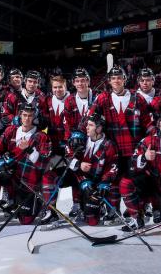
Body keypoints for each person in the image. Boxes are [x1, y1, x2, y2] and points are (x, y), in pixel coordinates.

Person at [87, 65, 153, 223]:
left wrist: (152, 140)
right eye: (113, 78)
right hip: (113, 150)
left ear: (125, 79)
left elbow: (148, 124)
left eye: (119, 77)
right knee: (114, 182)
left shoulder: (138, 98)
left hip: (134, 150)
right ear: (109, 81)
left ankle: (137, 212)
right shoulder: (102, 98)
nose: (116, 80)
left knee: (133, 183)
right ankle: (113, 211)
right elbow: (90, 118)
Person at [0, 103, 52, 225]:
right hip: (11, 175)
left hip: (28, 181)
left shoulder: (41, 136)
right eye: (24, 115)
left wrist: (29, 150)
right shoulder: (11, 130)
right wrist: (0, 163)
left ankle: (37, 205)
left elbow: (43, 163)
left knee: (25, 220)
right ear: (20, 115)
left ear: (34, 117)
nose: (27, 118)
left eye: (30, 116)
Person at [120, 111, 161, 233]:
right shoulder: (148, 141)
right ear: (158, 127)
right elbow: (132, 163)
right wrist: (144, 157)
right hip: (152, 184)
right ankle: (137, 218)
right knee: (126, 183)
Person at [60, 113, 118, 226]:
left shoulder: (109, 145)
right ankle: (52, 210)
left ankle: (96, 209)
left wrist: (104, 183)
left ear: (99, 128)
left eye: (90, 125)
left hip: (94, 182)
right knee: (51, 176)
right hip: (78, 178)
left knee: (92, 221)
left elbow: (113, 167)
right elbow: (68, 156)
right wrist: (78, 164)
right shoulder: (82, 139)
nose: (87, 127)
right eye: (87, 124)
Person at [62, 67, 95, 217]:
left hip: (94, 142)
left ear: (88, 81)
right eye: (77, 81)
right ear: (73, 83)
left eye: (83, 80)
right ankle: (76, 203)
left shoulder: (97, 97)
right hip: (77, 143)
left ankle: (95, 203)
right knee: (76, 171)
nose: (80, 83)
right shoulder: (69, 100)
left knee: (93, 172)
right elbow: (68, 124)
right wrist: (72, 138)